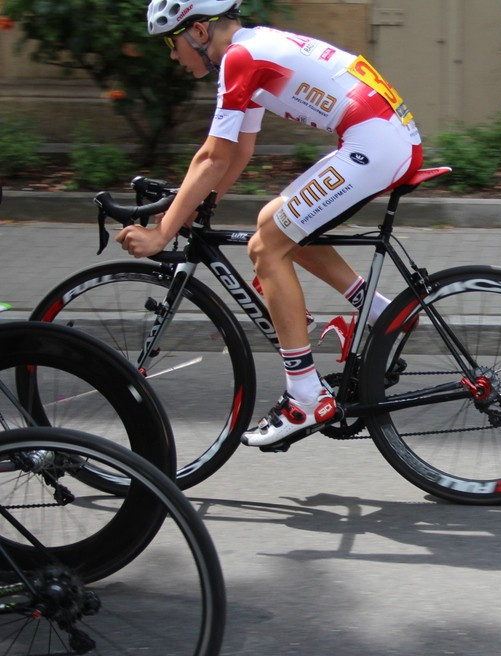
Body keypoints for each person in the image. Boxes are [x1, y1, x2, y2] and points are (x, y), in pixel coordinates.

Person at [118, 0, 422, 448]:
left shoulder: (240, 58)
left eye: (172, 41)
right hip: (380, 137)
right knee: (274, 223)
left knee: (266, 247)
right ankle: (380, 311)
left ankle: (305, 395)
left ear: (199, 31)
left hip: (374, 143)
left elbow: (212, 156)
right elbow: (238, 151)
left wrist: (163, 231)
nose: (171, 54)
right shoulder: (253, 49)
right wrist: (199, 207)